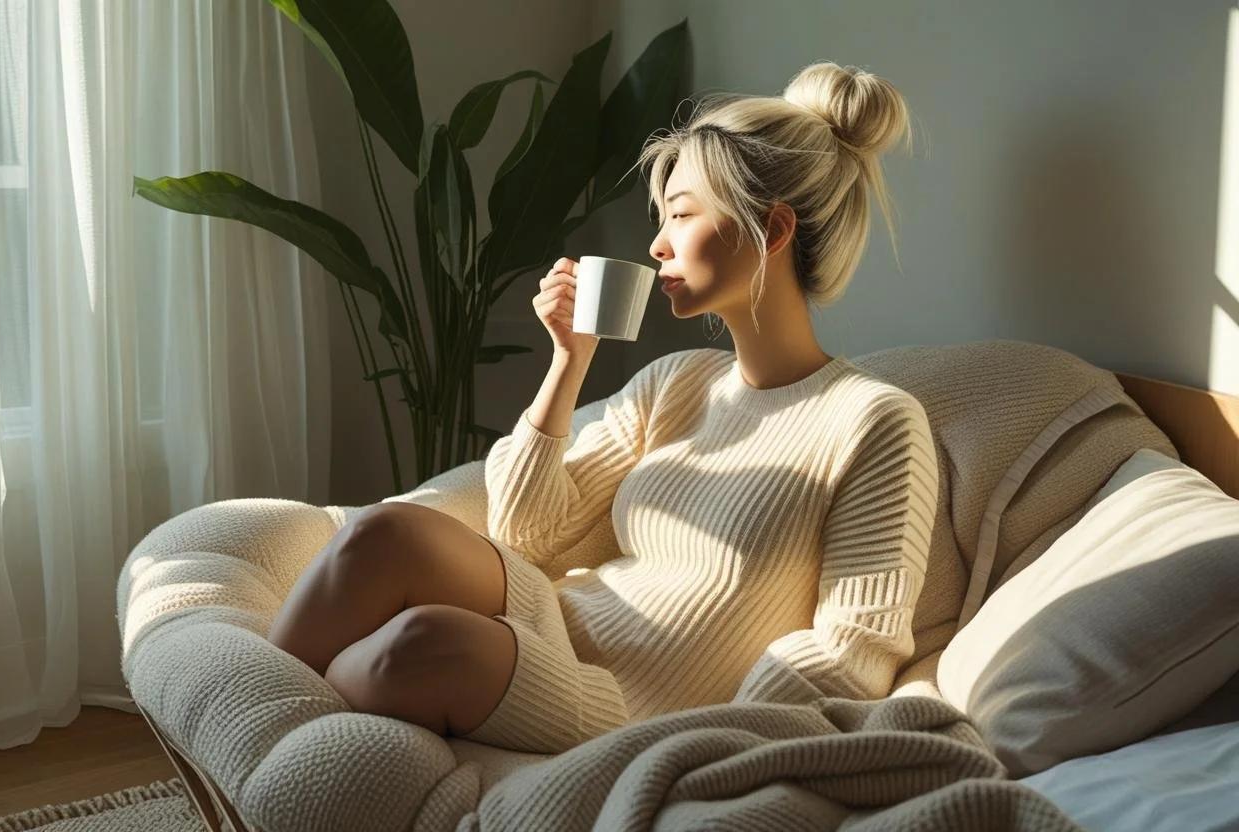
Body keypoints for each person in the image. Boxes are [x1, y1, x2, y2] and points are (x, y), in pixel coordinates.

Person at [267, 61, 937, 755]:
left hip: (625, 705)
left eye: (681, 214)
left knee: (417, 645)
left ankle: (278, 738)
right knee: (384, 533)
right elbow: (526, 533)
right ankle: (255, 719)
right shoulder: (678, 381)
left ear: (771, 231)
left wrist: (702, 747)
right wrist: (569, 358)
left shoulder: (874, 421)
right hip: (553, 618)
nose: (657, 244)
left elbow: (850, 651)